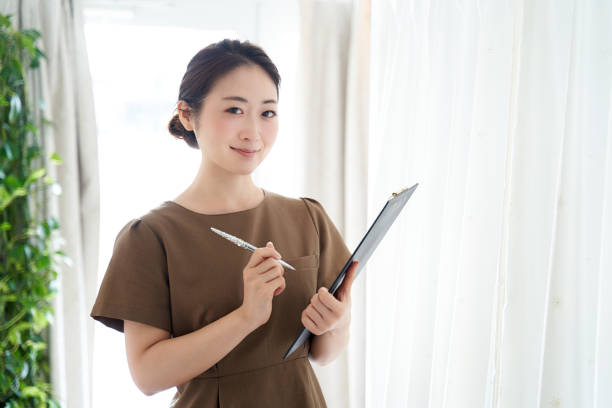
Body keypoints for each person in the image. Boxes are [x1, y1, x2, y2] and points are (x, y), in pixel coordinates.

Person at [90, 38, 358, 407]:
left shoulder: (308, 218)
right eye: (234, 110)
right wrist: (246, 317)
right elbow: (147, 376)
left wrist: (336, 322)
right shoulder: (150, 237)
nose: (253, 132)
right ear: (187, 114)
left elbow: (323, 353)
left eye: (267, 113)